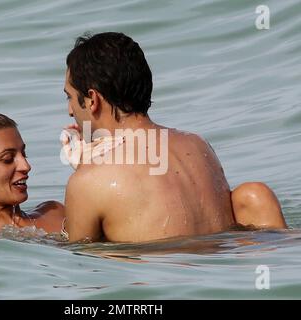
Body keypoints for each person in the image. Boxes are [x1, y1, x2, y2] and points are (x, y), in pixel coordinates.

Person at [61, 32, 287, 243]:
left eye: (70, 97)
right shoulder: (198, 145)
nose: (71, 110)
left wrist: (86, 170)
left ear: (92, 99)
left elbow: (83, 268)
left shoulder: (89, 182)